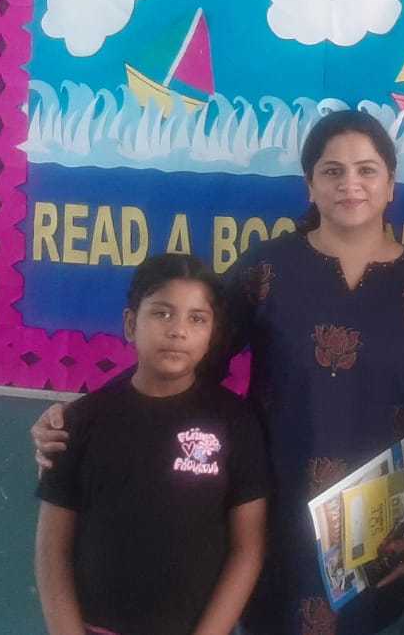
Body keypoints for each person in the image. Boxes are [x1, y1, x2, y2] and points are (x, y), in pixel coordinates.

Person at [34, 110, 404, 634]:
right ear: (310, 185)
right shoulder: (267, 269)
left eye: (367, 170)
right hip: (270, 511)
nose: (350, 184)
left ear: (391, 184)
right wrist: (78, 418)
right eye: (332, 171)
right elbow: (186, 364)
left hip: (385, 530)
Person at [34, 253, 270, 635]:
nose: (178, 331)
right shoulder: (78, 422)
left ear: (212, 333)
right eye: (162, 313)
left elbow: (248, 549)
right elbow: (51, 550)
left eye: (197, 319)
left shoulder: (235, 422)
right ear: (131, 324)